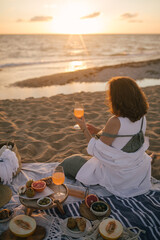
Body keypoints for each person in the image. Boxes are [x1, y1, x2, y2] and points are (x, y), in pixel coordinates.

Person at [60, 76, 152, 198]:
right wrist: (98, 131)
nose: (109, 98)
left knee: (67, 163)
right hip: (136, 173)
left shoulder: (115, 121)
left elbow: (97, 150)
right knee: (83, 160)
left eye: (110, 95)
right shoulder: (141, 117)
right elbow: (123, 138)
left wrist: (84, 128)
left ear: (117, 98)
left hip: (119, 177)